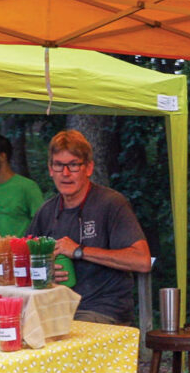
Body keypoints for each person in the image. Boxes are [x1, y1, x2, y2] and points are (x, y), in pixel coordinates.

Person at [25, 130, 151, 325]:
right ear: (50, 169)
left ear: (89, 168)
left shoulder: (111, 203)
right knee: (17, 330)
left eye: (73, 165)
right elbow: (24, 261)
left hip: (102, 310)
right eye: (59, 165)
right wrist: (44, 270)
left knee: (66, 336)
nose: (65, 173)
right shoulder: (47, 211)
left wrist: (79, 251)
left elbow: (142, 261)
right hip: (56, 309)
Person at [0, 135, 44, 237]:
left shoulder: (27, 186)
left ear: (2, 156)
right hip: (1, 247)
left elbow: (44, 224)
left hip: (24, 247)